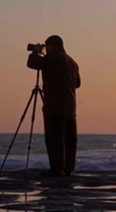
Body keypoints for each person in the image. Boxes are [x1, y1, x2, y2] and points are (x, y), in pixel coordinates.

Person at [26, 35, 81, 177]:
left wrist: (35, 52)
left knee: (54, 139)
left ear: (52, 46)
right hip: (70, 108)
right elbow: (77, 84)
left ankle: (56, 170)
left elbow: (33, 63)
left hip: (54, 107)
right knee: (69, 141)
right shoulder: (72, 62)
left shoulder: (53, 58)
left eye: (47, 46)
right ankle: (68, 170)